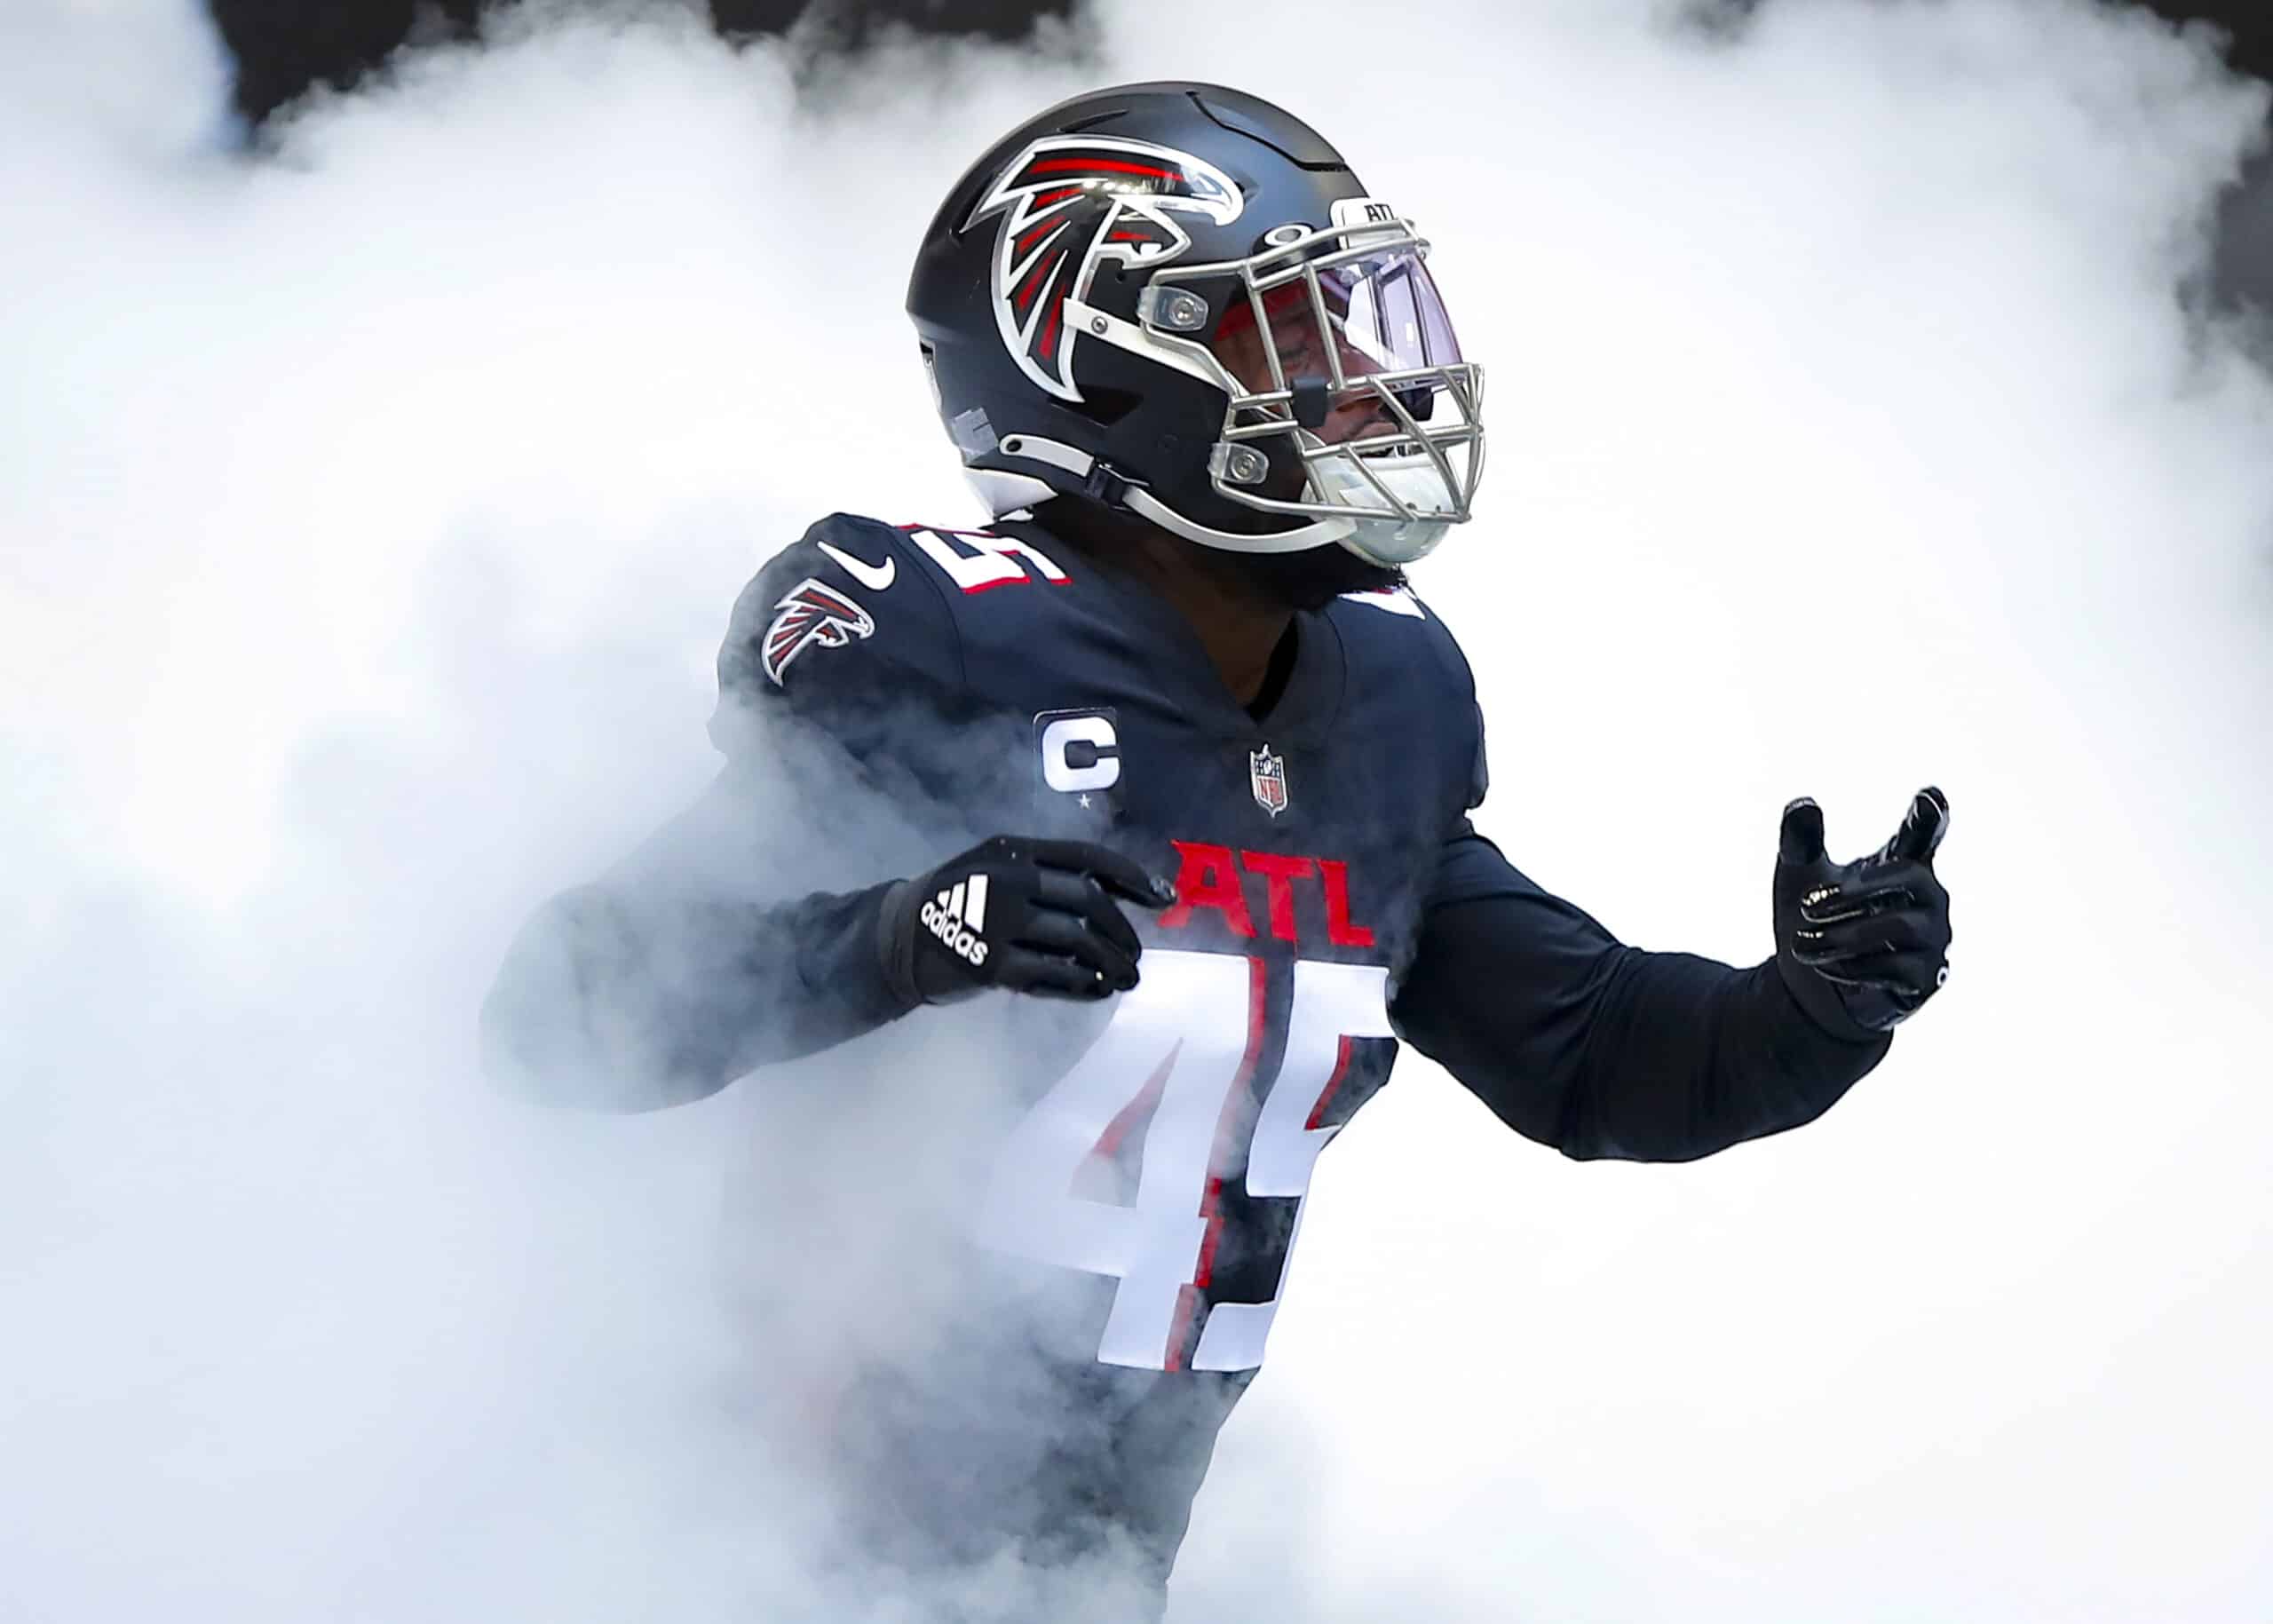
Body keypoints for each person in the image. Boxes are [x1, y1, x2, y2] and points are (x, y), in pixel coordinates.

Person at [480, 82, 1955, 1620]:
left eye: (1354, 328)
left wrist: (1816, 1006)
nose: (1363, 386)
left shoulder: (1384, 702)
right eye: (1291, 339)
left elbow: (1598, 1059)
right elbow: (559, 1017)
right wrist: (905, 936)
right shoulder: (946, 647)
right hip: (748, 1560)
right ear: (1098, 370)